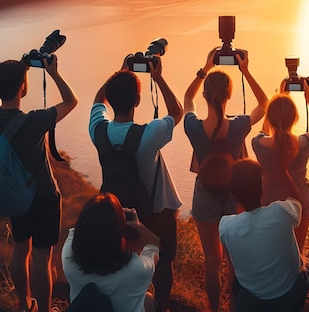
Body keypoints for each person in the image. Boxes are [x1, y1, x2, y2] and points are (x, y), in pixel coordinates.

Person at [89, 56, 183, 312]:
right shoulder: (150, 133)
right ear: (138, 101)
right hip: (156, 210)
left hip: (116, 211)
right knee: (162, 263)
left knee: (120, 260)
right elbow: (177, 111)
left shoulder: (98, 130)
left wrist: (119, 71)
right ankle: (159, 305)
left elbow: (98, 102)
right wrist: (158, 77)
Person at [183, 48, 268, 312]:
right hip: (234, 196)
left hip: (204, 195)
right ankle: (234, 307)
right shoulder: (239, 125)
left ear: (206, 95)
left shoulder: (193, 126)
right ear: (230, 95)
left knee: (212, 260)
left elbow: (187, 97)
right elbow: (264, 104)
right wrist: (245, 70)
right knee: (233, 260)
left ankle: (214, 308)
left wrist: (204, 68)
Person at [0, 56, 78, 312]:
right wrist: (53, 72)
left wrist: (17, 69)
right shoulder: (34, 121)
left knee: (21, 249)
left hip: (15, 196)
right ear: (23, 87)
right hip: (44, 197)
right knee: (42, 258)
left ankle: (25, 306)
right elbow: (71, 101)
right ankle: (43, 310)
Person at [219, 158, 309, 311]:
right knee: (307, 263)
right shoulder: (281, 212)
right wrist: (284, 172)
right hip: (288, 295)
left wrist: (233, 303)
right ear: (262, 188)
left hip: (254, 299)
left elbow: (233, 271)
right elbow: (299, 203)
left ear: (232, 195)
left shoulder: (226, 227)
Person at [61, 193, 160, 312]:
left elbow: (76, 232)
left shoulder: (68, 255)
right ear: (118, 232)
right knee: (149, 299)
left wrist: (98, 218)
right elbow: (154, 245)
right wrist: (136, 225)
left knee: (147, 299)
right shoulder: (137, 269)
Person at [251, 80, 309, 250]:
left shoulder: (258, 143)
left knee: (272, 252)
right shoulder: (305, 143)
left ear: (269, 118)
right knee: (297, 253)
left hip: (268, 202)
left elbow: (266, 132)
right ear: (295, 118)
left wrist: (282, 96)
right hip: (300, 203)